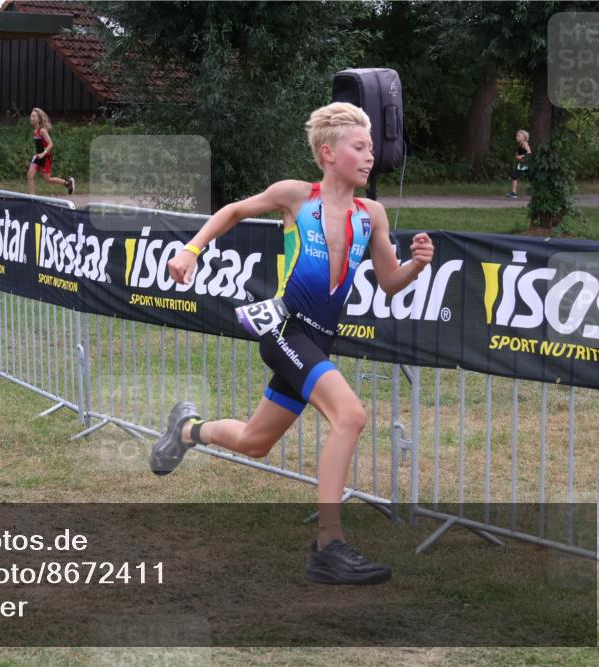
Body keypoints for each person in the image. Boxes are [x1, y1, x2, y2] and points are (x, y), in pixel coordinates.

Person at [149, 102, 435, 585]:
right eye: (359, 147)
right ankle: (329, 544)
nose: (371, 157)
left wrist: (418, 265)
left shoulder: (373, 215)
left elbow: (388, 281)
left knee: (255, 442)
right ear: (328, 152)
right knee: (351, 414)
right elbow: (234, 210)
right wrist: (190, 249)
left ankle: (185, 431)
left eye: (371, 148)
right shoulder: (297, 197)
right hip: (286, 330)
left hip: (319, 341)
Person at [27, 107, 75, 196]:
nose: (31, 118)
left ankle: (67, 183)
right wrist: (38, 155)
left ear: (39, 119)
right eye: (31, 116)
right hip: (38, 156)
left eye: (33, 116)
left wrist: (43, 154)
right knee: (30, 175)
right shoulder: (35, 131)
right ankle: (32, 197)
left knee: (47, 179)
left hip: (46, 157)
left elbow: (51, 144)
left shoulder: (42, 131)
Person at [507, 129, 531, 199]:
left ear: (523, 137)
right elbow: (518, 155)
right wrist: (518, 156)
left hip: (525, 164)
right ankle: (537, 191)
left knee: (515, 176)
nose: (516, 137)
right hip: (523, 164)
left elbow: (529, 153)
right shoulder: (520, 145)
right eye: (516, 135)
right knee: (531, 178)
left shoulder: (524, 144)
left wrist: (522, 156)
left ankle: (514, 193)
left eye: (518, 136)